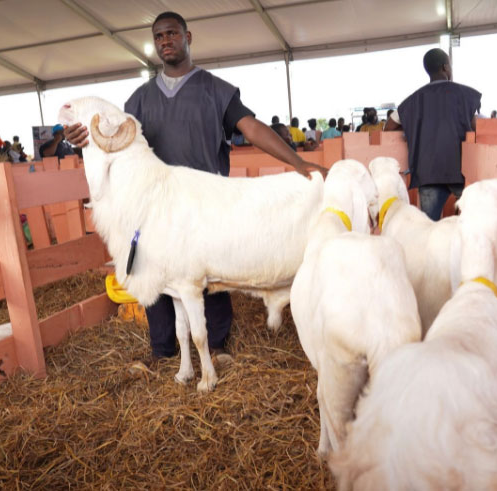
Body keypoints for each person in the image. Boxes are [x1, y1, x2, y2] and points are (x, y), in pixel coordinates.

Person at [64, 11, 326, 365]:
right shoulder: (139, 99)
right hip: (152, 205)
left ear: (188, 37)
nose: (165, 41)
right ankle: (161, 349)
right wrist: (78, 140)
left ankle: (216, 345)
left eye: (172, 34)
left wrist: (297, 162)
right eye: (159, 37)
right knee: (150, 269)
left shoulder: (216, 90)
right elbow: (111, 139)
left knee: (212, 270)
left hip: (206, 201)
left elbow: (251, 128)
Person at [384, 48, 481, 221]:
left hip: (427, 171)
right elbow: (476, 129)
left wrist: (411, 130)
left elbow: (389, 127)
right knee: (471, 221)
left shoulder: (413, 99)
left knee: (428, 225)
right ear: (445, 67)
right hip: (459, 169)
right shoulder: (464, 94)